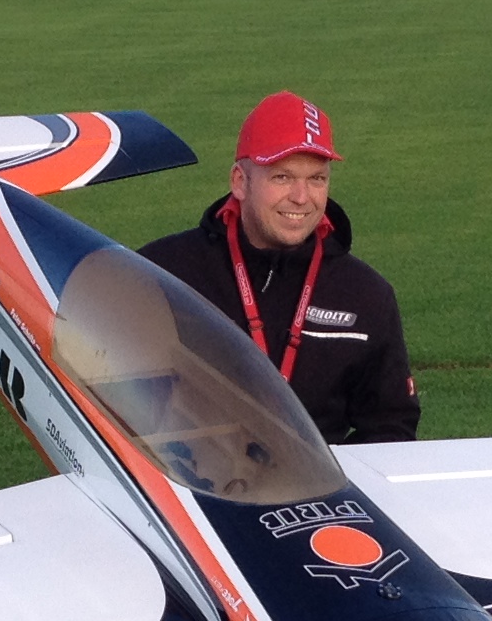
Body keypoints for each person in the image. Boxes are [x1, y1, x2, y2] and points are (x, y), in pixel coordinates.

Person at [140, 91, 419, 447]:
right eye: (283, 177)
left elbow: (391, 426)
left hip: (314, 482)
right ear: (240, 181)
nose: (302, 198)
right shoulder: (163, 273)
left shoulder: (366, 295)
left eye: (316, 179)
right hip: (183, 477)